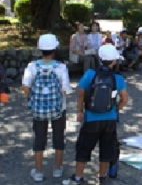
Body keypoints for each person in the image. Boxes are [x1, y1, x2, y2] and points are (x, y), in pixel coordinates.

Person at [62, 45, 128, 185]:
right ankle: (102, 176)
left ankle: (78, 177)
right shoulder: (117, 77)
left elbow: (80, 93)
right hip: (109, 120)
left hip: (91, 117)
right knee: (106, 148)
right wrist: (115, 110)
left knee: (84, 147)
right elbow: (125, 99)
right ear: (114, 61)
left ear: (99, 59)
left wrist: (80, 111)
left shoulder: (91, 74)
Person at [22, 34, 72, 182]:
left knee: (39, 139)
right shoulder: (61, 67)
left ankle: (38, 172)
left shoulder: (32, 66)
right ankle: (57, 169)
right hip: (58, 109)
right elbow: (65, 90)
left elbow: (25, 87)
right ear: (54, 49)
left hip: (38, 110)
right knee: (58, 138)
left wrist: (33, 99)